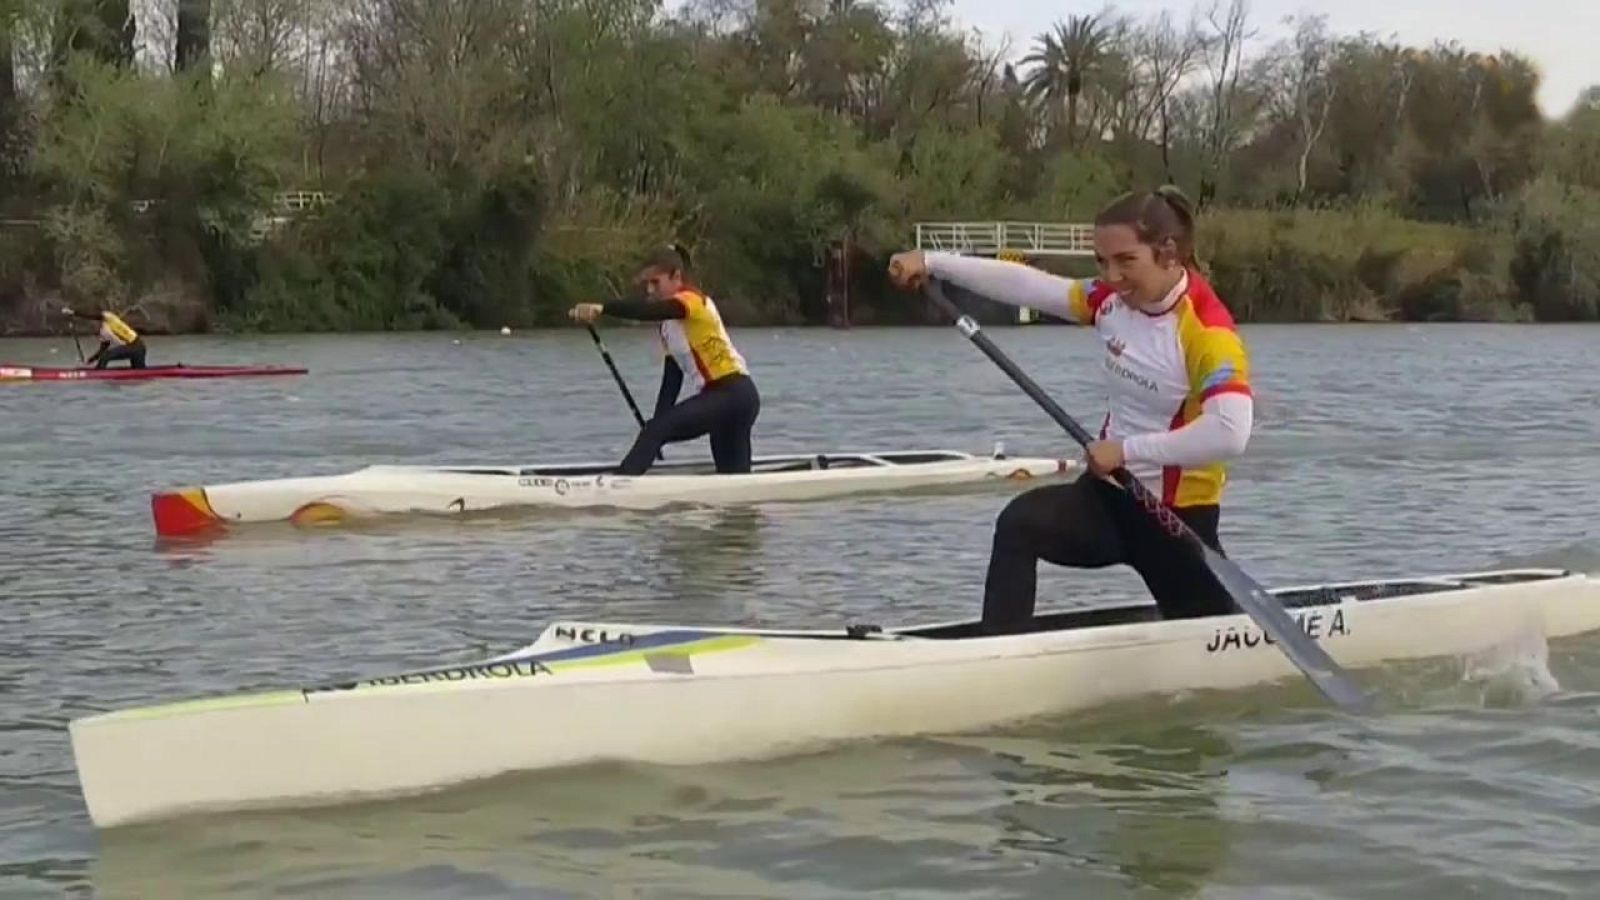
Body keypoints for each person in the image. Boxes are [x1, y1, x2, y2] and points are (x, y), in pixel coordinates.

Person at [887, 186, 1254, 633]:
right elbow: (1028, 285)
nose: (1111, 276)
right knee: (1020, 525)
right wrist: (932, 262)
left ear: (1169, 253)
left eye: (1125, 261)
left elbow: (1230, 432)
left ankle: (1234, 628)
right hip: (1109, 500)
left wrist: (1125, 450)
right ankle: (1002, 655)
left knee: (1207, 628)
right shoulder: (1109, 302)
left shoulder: (1207, 332)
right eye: (1102, 262)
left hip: (1174, 519)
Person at [569, 244, 761, 475]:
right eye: (647, 284)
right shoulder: (668, 327)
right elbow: (672, 379)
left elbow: (646, 312)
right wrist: (658, 425)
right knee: (734, 481)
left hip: (733, 393)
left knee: (657, 430)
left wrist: (603, 308)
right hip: (721, 400)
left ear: (676, 277)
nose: (650, 290)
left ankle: (619, 485)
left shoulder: (693, 301)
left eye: (655, 282)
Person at [63, 305, 148, 369]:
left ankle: (98, 375)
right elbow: (101, 351)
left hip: (137, 346)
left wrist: (74, 312)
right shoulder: (104, 332)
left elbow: (91, 315)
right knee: (138, 370)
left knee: (106, 356)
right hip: (135, 348)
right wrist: (88, 361)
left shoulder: (110, 318)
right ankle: (99, 372)